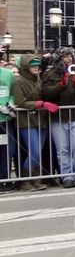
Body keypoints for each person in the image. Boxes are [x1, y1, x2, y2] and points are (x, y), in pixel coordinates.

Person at [40, 46, 75, 187]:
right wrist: (60, 86)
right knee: (63, 149)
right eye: (65, 56)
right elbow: (47, 93)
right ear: (59, 58)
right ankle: (66, 176)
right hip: (58, 117)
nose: (68, 59)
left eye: (70, 56)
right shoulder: (50, 74)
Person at [13, 54, 55, 190]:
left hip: (40, 121)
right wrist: (38, 104)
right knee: (34, 152)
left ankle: (35, 179)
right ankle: (26, 181)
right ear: (26, 67)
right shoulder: (19, 81)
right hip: (26, 122)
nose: (36, 67)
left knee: (38, 152)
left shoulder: (38, 80)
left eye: (37, 65)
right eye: (33, 65)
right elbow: (19, 102)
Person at [0, 61, 16, 191]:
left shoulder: (8, 74)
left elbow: (12, 93)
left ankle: (4, 180)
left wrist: (10, 104)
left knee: (6, 151)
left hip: (5, 120)